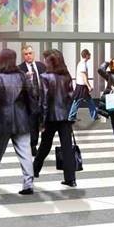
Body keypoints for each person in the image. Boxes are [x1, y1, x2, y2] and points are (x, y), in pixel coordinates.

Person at [0, 45, 39, 194]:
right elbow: (31, 99)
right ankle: (28, 184)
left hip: (2, 120)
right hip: (22, 121)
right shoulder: (23, 76)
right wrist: (34, 119)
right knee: (25, 153)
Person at [30, 50, 81, 188]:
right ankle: (71, 179)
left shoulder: (45, 77)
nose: (44, 61)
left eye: (46, 59)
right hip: (65, 117)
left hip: (51, 117)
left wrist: (42, 121)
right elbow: (72, 98)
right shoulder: (66, 76)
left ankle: (34, 171)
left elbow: (44, 101)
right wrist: (72, 116)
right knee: (67, 148)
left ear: (50, 62)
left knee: (45, 146)